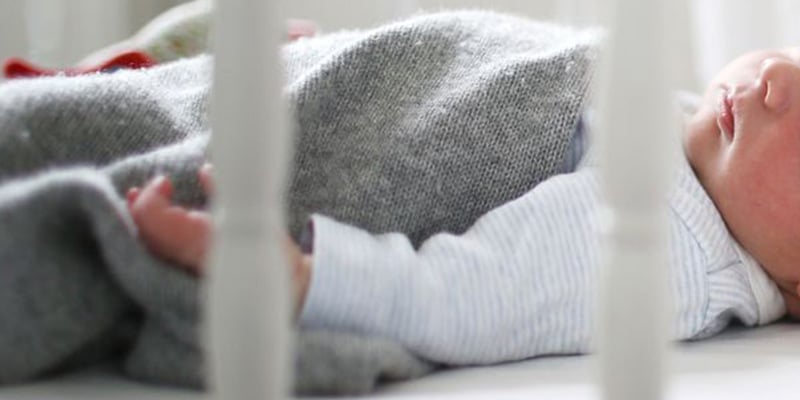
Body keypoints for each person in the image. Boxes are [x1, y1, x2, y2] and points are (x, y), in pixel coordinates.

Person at [126, 45, 800, 365]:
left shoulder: (672, 244)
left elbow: (466, 295)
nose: (778, 79)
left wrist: (305, 277)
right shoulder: (697, 151)